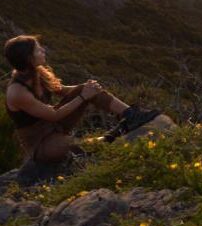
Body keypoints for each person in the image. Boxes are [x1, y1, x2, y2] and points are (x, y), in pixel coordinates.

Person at [4, 34, 160, 164]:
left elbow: (61, 90)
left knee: (87, 90)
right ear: (29, 58)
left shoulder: (37, 72)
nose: (43, 50)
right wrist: (83, 96)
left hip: (55, 125)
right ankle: (111, 137)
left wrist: (86, 88)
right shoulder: (17, 92)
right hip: (41, 142)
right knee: (88, 147)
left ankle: (131, 115)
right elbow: (53, 115)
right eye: (38, 50)